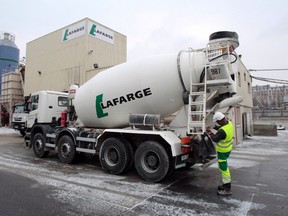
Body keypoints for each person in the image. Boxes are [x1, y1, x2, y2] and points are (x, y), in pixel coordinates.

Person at [206, 112, 234, 195]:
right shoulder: (229, 123)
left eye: (217, 122)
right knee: (223, 167)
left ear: (220, 120)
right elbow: (221, 128)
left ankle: (227, 188)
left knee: (224, 168)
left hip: (223, 151)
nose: (217, 123)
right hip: (227, 149)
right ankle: (225, 185)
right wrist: (214, 127)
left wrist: (210, 133)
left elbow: (215, 138)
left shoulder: (222, 131)